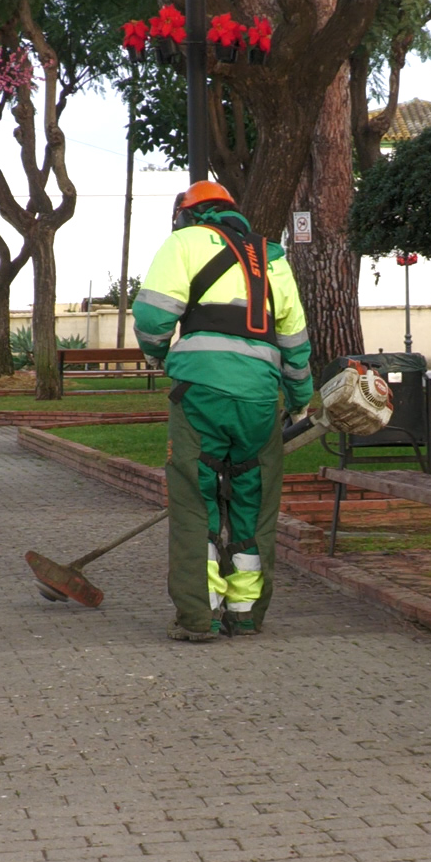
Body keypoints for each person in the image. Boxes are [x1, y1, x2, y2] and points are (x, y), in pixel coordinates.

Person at [133, 181, 312, 641]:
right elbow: (294, 340)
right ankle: (245, 613)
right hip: (260, 401)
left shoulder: (184, 242)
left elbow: (153, 315)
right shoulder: (272, 257)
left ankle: (200, 616)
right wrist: (298, 399)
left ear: (186, 215)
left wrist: (157, 354)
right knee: (254, 504)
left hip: (201, 394)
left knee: (198, 501)